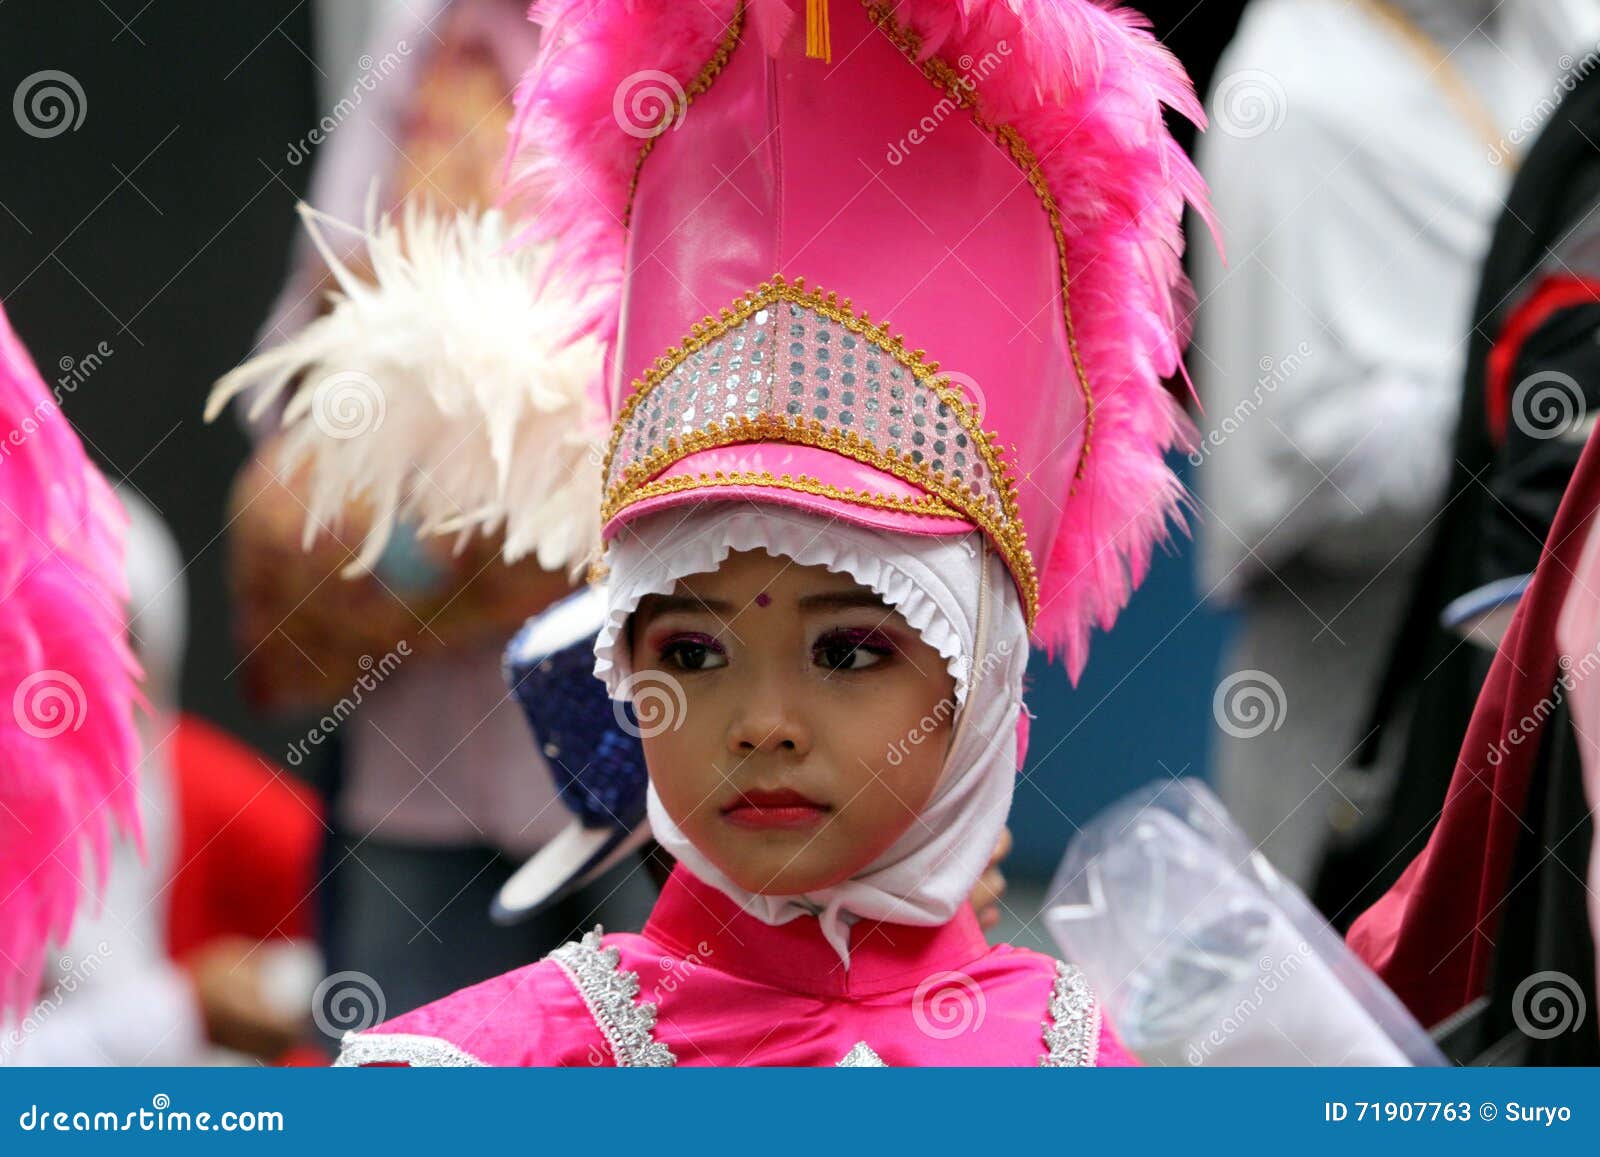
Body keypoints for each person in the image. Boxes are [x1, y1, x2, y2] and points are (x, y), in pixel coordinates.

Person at [336, 0, 1209, 1066]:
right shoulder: (469, 1078)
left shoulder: (1070, 1069)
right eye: (691, 653)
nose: (761, 725)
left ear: (981, 683)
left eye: (848, 650)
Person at [1190, 0, 1599, 889]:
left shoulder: (1558, 27)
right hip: (1361, 693)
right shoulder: (1289, 96)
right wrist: (1542, 401)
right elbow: (1298, 473)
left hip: (1557, 683)